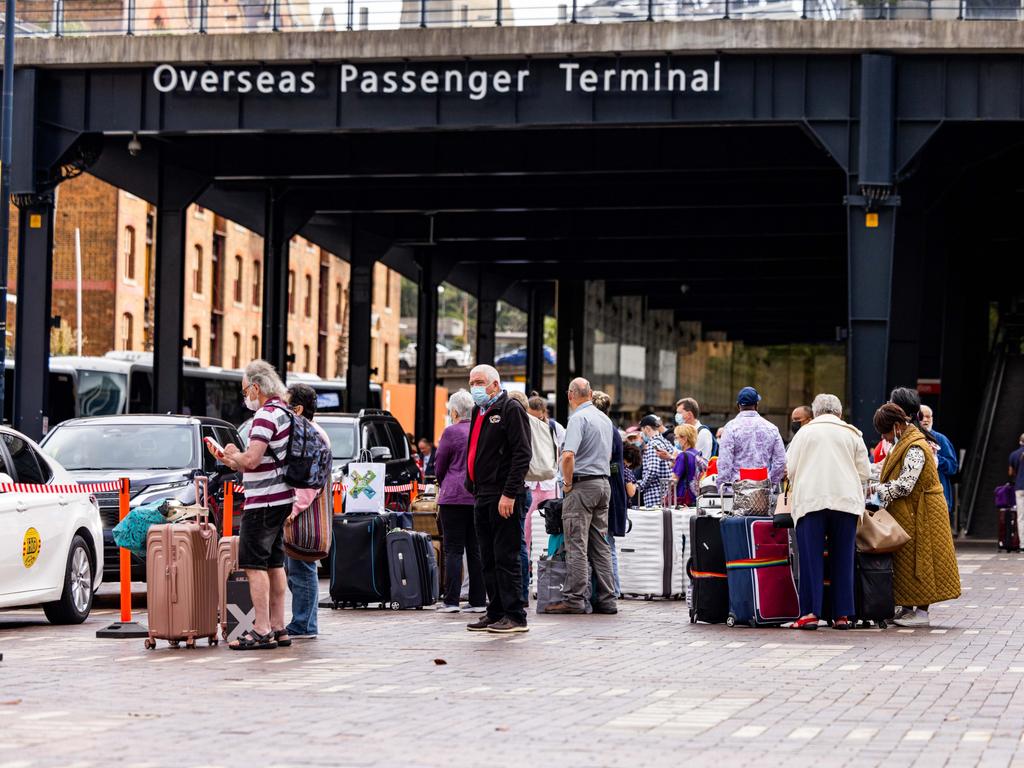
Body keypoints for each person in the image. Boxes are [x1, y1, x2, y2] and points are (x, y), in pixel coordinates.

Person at [217, 360, 294, 650]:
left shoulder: (264, 417)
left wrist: (232, 456)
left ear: (256, 387)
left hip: (263, 500)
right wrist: (237, 457)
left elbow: (251, 461)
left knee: (253, 564)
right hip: (283, 497)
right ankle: (279, 626)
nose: (245, 396)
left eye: (245, 390)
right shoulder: (285, 413)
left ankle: (261, 629)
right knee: (275, 562)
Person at [869, 403, 961, 628]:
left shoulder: (915, 447)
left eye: (886, 432)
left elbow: (905, 485)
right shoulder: (907, 442)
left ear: (898, 426)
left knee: (922, 560)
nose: (885, 438)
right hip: (913, 511)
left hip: (923, 513)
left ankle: (921, 612)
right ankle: (909, 608)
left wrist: (877, 490)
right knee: (909, 560)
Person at [785, 394, 870, 630]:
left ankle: (811, 613)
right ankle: (842, 614)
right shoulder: (852, 433)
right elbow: (864, 472)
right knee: (843, 558)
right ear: (839, 412)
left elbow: (790, 468)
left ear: (816, 411)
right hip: (845, 502)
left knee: (811, 558)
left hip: (811, 501)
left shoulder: (804, 433)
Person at [463, 364, 532, 634]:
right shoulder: (478, 411)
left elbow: (521, 454)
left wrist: (509, 493)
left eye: (479, 382)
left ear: (494, 384)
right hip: (482, 493)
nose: (475, 387)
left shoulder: (510, 409)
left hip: (503, 494)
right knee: (487, 557)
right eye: (471, 382)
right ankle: (496, 611)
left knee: (507, 555)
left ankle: (515, 615)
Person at [543, 378, 617, 615]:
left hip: (582, 485)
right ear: (591, 393)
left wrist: (566, 483)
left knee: (576, 544)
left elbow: (568, 456)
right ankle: (607, 599)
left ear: (570, 395)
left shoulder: (578, 418)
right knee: (600, 544)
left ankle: (575, 598)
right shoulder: (604, 419)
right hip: (603, 485)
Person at [280, 382, 331, 641]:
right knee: (297, 568)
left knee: (302, 568)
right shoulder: (308, 432)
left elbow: (310, 481)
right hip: (302, 510)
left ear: (297, 409)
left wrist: (293, 509)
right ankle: (303, 621)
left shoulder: (311, 435)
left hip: (304, 513)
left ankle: (305, 624)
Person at [433, 390, 487, 614]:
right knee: (475, 549)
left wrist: (442, 481)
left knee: (453, 549)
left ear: (454, 411)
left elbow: (439, 465)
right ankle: (477, 600)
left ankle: (452, 600)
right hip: (476, 496)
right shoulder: (480, 430)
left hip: (453, 496)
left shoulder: (451, 432)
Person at [715, 387, 787, 491]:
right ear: (757, 405)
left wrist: (722, 488)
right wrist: (772, 482)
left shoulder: (730, 428)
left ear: (738, 405)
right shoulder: (771, 428)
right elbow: (781, 461)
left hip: (737, 490)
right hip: (762, 491)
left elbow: (724, 462)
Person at [593, 390, 627, 597]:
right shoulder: (611, 429)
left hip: (609, 490)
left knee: (607, 543)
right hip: (612, 489)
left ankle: (613, 589)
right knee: (606, 542)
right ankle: (611, 589)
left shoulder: (607, 430)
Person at [508, 390, 534, 605]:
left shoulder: (518, 424)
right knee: (521, 543)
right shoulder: (537, 424)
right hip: (528, 489)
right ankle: (521, 592)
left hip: (516, 490)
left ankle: (520, 593)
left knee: (516, 545)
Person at [920, 405, 959, 522]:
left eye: (928, 417)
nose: (926, 420)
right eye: (922, 417)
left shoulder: (940, 439)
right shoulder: (911, 438)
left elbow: (952, 467)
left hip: (939, 496)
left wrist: (935, 457)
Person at [635, 414, 674, 506]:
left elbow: (652, 470)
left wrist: (641, 485)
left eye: (642, 429)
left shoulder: (653, 445)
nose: (641, 433)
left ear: (647, 428)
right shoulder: (666, 442)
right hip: (665, 494)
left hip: (654, 495)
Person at [671, 423, 703, 506]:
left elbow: (673, 481)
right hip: (696, 496)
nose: (675, 440)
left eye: (676, 437)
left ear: (684, 438)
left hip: (683, 498)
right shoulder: (697, 454)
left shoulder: (682, 456)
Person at [1010, 433, 1024, 542]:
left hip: (1019, 487)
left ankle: (1023, 544)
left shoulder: (1014, 455)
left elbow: (1010, 473)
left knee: (1021, 517)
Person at [622, 442, 641, 507]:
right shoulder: (626, 471)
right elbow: (631, 493)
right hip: (623, 503)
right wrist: (635, 485)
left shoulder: (617, 467)